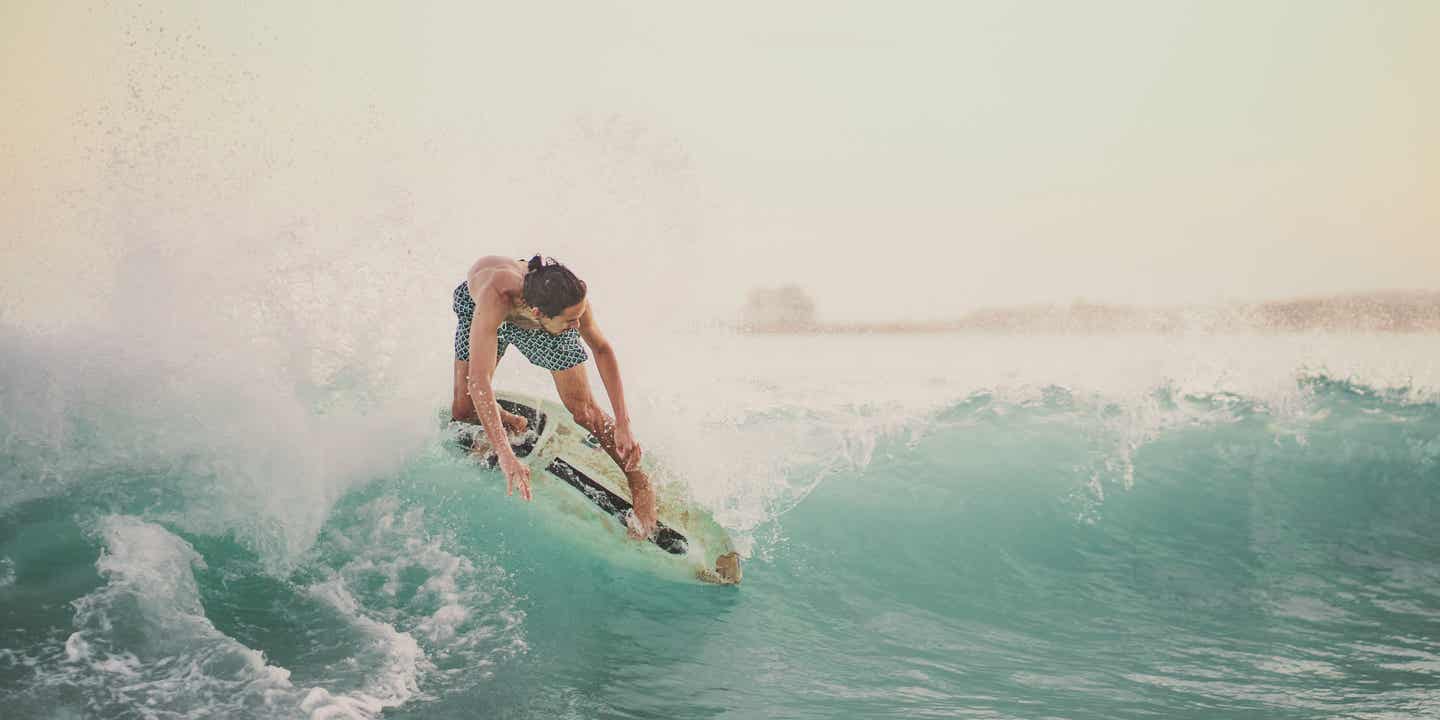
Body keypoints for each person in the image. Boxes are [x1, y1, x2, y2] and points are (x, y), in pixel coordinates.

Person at [451, 254, 657, 539]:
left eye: (579, 316)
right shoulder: (496, 295)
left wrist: (623, 422)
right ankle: (510, 420)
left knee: (583, 410)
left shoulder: (570, 299)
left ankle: (639, 481)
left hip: (546, 323)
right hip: (480, 310)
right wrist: (506, 454)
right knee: (462, 411)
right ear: (537, 313)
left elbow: (601, 349)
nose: (578, 325)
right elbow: (479, 380)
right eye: (572, 321)